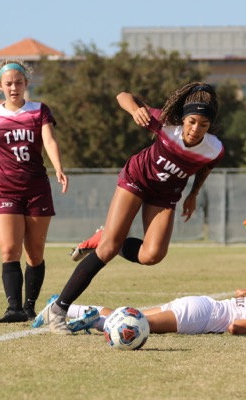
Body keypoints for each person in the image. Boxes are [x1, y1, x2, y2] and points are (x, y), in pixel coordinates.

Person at [35, 82, 224, 334]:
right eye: (192, 121)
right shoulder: (166, 123)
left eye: (203, 124)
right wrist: (135, 109)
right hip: (137, 178)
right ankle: (58, 309)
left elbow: (205, 168)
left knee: (152, 255)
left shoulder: (214, 148)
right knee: (109, 249)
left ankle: (105, 235)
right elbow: (122, 96)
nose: (196, 129)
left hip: (165, 194)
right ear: (184, 118)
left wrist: (193, 194)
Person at [0, 60, 68, 323]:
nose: (14, 87)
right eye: (8, 83)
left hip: (36, 189)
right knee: (9, 250)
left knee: (35, 253)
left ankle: (30, 307)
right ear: (0, 86)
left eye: (18, 82)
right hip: (6, 190)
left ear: (26, 84)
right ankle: (13, 309)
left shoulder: (39, 110)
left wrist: (58, 167)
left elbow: (49, 140)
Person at [65, 279, 246, 335]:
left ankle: (66, 307)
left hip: (198, 304)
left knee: (132, 314)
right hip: (201, 317)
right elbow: (235, 327)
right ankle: (93, 320)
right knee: (139, 326)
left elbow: (240, 292)